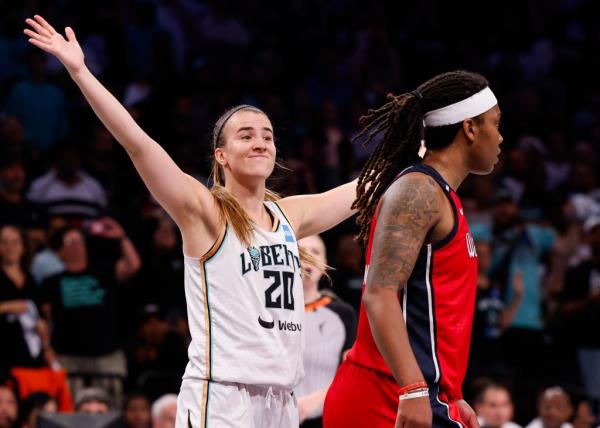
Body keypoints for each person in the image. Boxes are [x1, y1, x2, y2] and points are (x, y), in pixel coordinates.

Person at [24, 15, 357, 428]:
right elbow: (137, 142)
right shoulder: (205, 212)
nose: (261, 142)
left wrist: (415, 156)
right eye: (247, 135)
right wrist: (80, 71)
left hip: (281, 402)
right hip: (223, 397)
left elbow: (363, 191)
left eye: (268, 135)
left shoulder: (287, 216)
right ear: (221, 155)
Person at [324, 70, 503, 428]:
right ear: (469, 128)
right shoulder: (418, 191)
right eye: (495, 124)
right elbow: (378, 293)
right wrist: (413, 388)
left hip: (418, 392)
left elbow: (432, 314)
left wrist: (451, 392)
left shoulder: (441, 195)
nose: (500, 137)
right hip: (387, 395)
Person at [296, 235, 357, 428]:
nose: (308, 257)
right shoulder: (266, 312)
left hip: (324, 419)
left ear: (324, 263)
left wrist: (317, 400)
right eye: (301, 251)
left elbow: (351, 377)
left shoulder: (342, 314)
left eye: (315, 252)